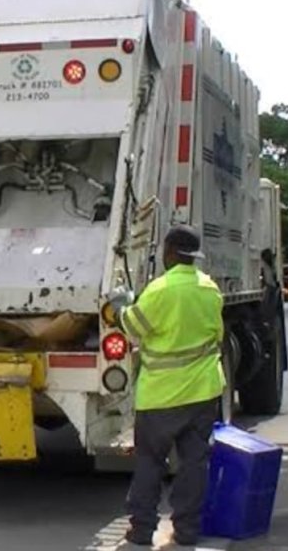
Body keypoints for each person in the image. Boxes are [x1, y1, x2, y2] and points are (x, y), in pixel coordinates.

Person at [111, 224, 225, 547]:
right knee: (193, 463)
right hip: (202, 393)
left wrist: (121, 306)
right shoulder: (210, 289)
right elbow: (217, 336)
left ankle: (142, 530)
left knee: (150, 462)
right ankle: (187, 531)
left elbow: (134, 327)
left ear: (170, 252)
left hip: (160, 396)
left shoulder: (160, 290)